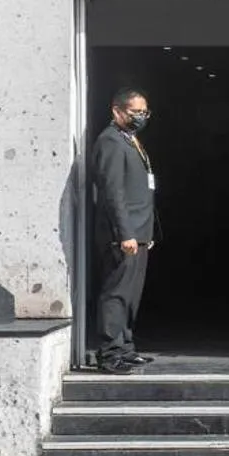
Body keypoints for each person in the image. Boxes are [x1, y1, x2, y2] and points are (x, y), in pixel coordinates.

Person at [88, 88, 157, 374]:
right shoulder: (111, 142)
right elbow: (113, 192)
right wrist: (125, 232)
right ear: (117, 111)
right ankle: (109, 352)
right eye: (135, 112)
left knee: (130, 294)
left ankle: (125, 346)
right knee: (116, 292)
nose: (141, 117)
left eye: (145, 112)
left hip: (140, 232)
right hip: (123, 234)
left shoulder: (129, 139)